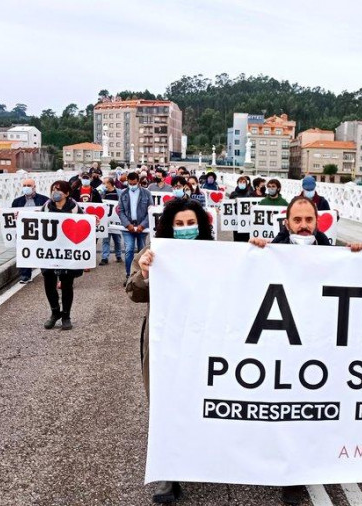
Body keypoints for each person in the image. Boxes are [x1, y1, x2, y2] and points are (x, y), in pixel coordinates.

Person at [249, 196, 362, 505]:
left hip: (322, 346)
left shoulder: (334, 254)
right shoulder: (270, 252)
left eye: (308, 220)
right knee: (289, 411)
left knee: (319, 410)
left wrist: (356, 257)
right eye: (297, 220)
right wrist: (254, 254)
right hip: (287, 347)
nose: (303, 226)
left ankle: (317, 463)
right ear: (286, 222)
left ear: (317, 222)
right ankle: (291, 476)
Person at [127, 198, 215, 504]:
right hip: (165, 339)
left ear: (201, 226)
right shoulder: (155, 251)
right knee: (164, 401)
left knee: (201, 399)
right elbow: (133, 293)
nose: (186, 229)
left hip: (207, 339)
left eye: (191, 224)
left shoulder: (217, 255)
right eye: (179, 224)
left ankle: (202, 458)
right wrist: (145, 272)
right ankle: (166, 475)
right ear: (169, 227)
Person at [39, 181, 85, 331]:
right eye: (53, 190)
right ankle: (54, 312)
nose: (54, 193)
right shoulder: (46, 206)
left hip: (67, 252)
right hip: (50, 251)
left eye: (58, 190)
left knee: (67, 284)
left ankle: (66, 315)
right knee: (49, 282)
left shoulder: (75, 208)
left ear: (66, 193)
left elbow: (85, 223)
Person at [0, 178, 49, 284]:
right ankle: (25, 275)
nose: (26, 187)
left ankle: (46, 273)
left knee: (42, 251)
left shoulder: (44, 200)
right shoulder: (17, 201)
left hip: (40, 231)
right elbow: (10, 214)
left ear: (34, 187)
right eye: (24, 185)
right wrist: (0, 213)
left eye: (29, 185)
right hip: (24, 232)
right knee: (24, 252)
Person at [117, 172, 151, 286]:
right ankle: (129, 275)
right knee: (129, 250)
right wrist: (127, 225)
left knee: (142, 250)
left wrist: (143, 225)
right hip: (128, 228)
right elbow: (120, 211)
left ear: (138, 182)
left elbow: (150, 210)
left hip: (142, 227)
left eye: (134, 183)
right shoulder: (123, 194)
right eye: (130, 183)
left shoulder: (146, 193)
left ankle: (142, 275)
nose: (132, 185)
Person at [100, 177, 123, 265]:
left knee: (117, 239)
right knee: (105, 239)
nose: (104, 185)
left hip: (116, 219)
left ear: (110, 183)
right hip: (106, 220)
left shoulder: (119, 192)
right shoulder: (103, 193)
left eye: (105, 183)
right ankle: (105, 257)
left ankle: (118, 255)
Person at [229, 175, 256, 243]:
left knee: (247, 240)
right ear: (237, 183)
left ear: (246, 184)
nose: (242, 183)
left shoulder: (250, 194)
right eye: (240, 182)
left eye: (244, 182)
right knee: (237, 240)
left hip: (247, 221)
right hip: (237, 221)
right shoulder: (233, 194)